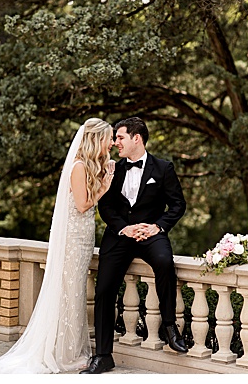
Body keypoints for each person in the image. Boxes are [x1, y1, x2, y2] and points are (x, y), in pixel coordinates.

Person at [0, 118, 115, 373]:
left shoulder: (91, 165)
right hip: (73, 239)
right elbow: (82, 205)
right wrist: (104, 187)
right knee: (71, 295)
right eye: (109, 138)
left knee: (76, 293)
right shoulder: (78, 166)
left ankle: (71, 349)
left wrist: (105, 172)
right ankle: (65, 354)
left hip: (84, 237)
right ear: (97, 139)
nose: (112, 142)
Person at [82, 117, 187, 374]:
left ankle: (170, 328)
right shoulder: (111, 169)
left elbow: (178, 205)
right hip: (119, 235)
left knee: (164, 262)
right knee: (104, 288)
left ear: (136, 138)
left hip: (151, 234)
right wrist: (124, 228)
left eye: (120, 137)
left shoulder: (163, 168)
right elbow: (105, 206)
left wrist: (157, 226)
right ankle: (103, 356)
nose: (115, 142)